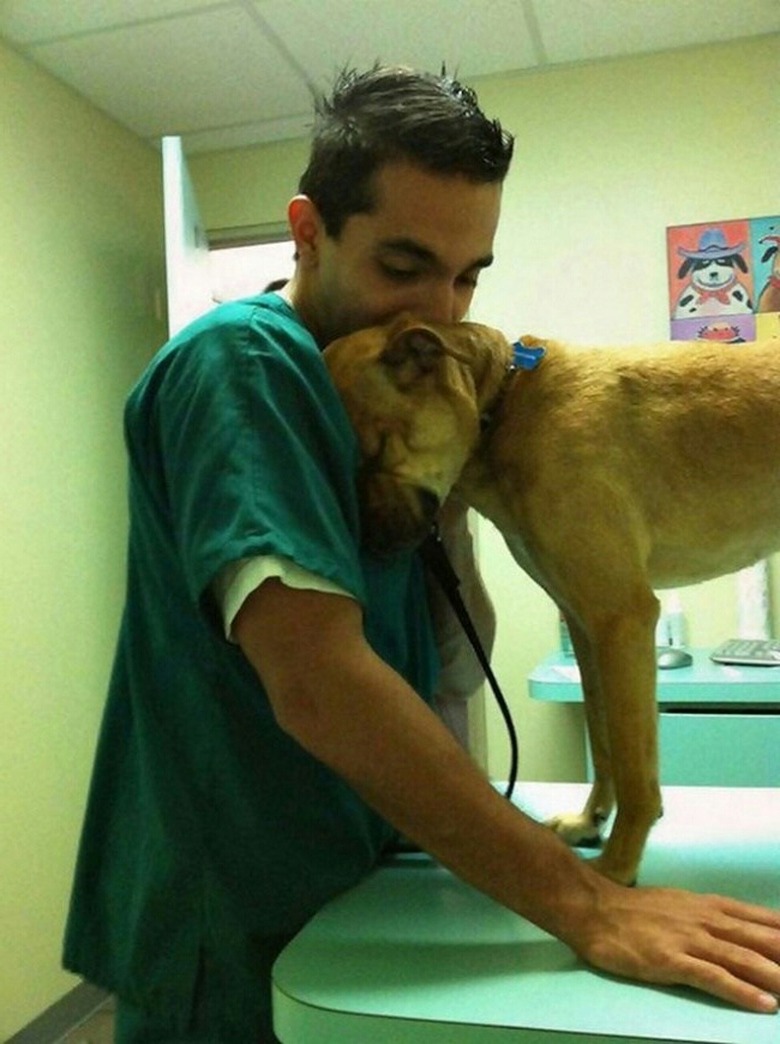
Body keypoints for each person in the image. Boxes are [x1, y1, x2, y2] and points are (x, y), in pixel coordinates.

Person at [63, 66, 780, 1043]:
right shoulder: (245, 366)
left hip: (360, 898)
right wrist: (590, 903)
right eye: (405, 268)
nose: (442, 310)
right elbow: (318, 681)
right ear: (309, 231)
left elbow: (437, 660)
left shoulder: (401, 387)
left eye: (469, 273)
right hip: (238, 923)